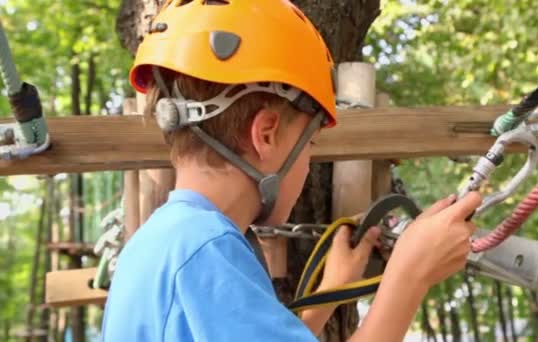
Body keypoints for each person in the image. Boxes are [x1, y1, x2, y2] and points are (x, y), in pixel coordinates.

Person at [101, 0, 482, 341]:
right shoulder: (207, 249)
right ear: (266, 135)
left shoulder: (161, 243)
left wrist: (330, 291)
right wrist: (409, 275)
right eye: (309, 145)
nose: (307, 161)